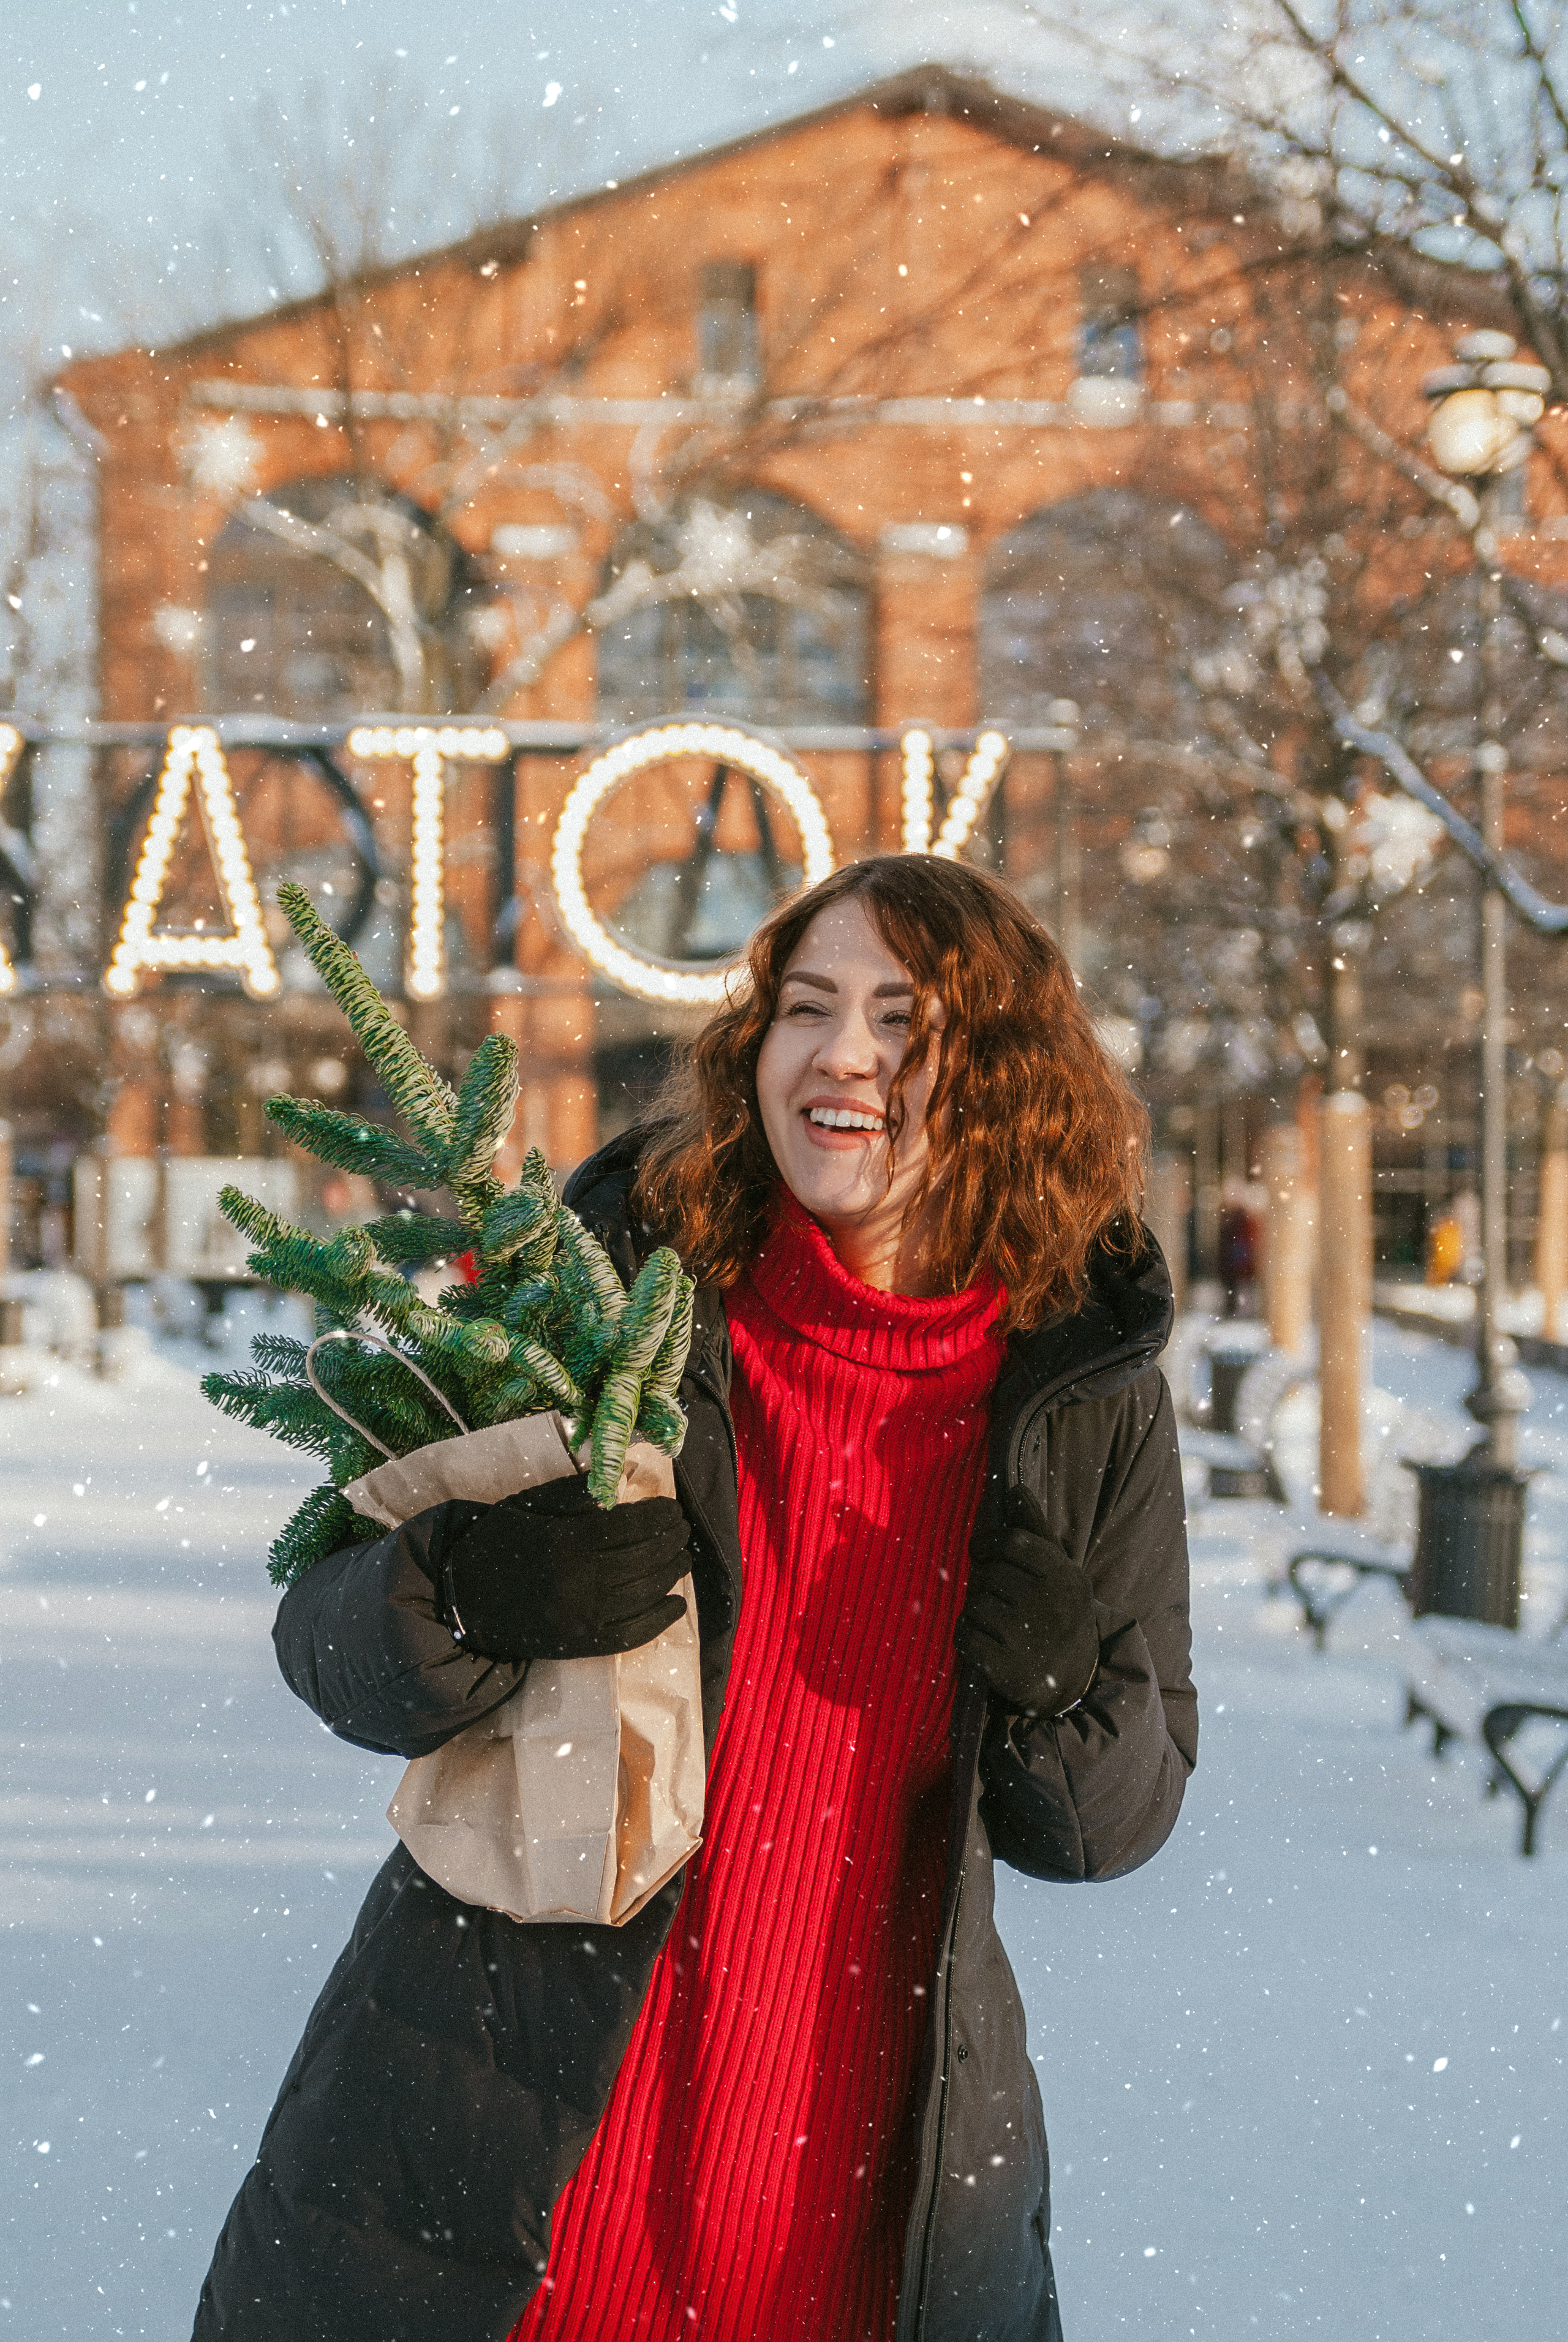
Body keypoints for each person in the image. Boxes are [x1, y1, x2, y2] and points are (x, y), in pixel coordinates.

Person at [192, 855, 1196, 2342]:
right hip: (501, 2185)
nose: (841, 1052)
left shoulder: (1081, 1398)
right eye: (806, 1006)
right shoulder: (609, 1294)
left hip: (859, 2224)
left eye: (901, 1019)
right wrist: (467, 1590)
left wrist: (1058, 1693)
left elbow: (1116, 1814)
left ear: (1001, 1077)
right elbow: (328, 1630)